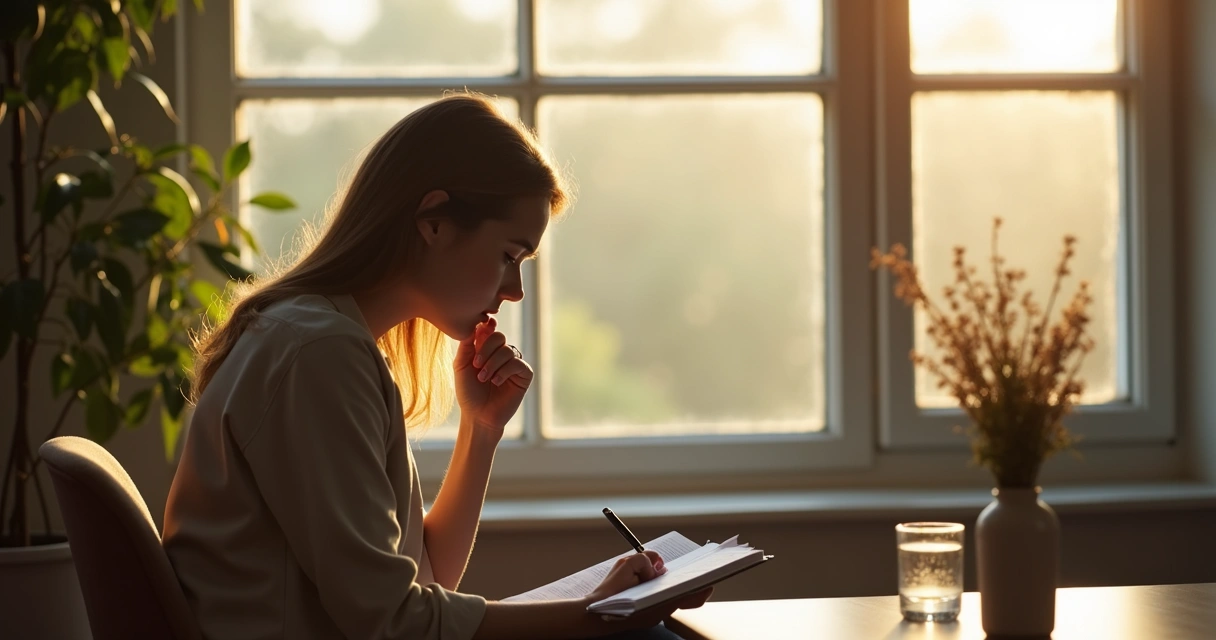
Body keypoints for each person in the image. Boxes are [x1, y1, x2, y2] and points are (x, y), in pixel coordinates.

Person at [162, 93, 710, 640]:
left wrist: (482, 429)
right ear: (434, 222)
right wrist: (593, 614)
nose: (515, 291)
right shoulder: (318, 355)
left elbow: (426, 575)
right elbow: (396, 623)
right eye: (509, 256)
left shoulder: (325, 341)